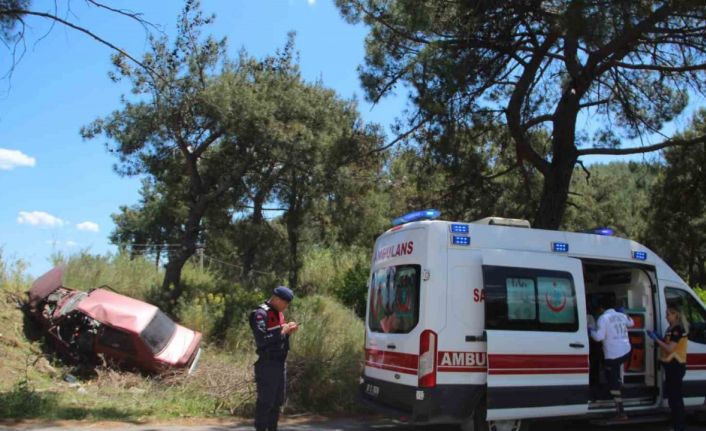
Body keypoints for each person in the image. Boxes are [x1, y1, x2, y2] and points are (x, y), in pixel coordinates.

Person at [249, 286, 299, 431]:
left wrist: (288, 332)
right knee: (265, 403)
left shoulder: (279, 313)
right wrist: (281, 331)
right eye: (285, 303)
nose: (287, 306)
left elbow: (279, 339)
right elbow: (262, 339)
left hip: (279, 364)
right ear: (277, 299)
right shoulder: (260, 314)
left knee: (277, 402)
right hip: (267, 364)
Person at [590, 297, 634, 420]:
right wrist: (625, 313)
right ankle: (619, 381)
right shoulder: (621, 315)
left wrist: (590, 331)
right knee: (613, 370)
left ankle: (621, 411)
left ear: (601, 308)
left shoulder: (603, 318)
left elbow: (598, 337)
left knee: (612, 381)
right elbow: (632, 323)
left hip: (613, 356)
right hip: (626, 352)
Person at [648, 306, 689, 431]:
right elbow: (667, 343)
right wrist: (660, 338)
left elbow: (670, 348)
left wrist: (656, 339)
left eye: (668, 314)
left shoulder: (677, 329)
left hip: (676, 365)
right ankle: (676, 425)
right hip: (671, 365)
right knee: (672, 397)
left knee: (676, 398)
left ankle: (679, 427)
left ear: (675, 315)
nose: (666, 317)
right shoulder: (671, 328)